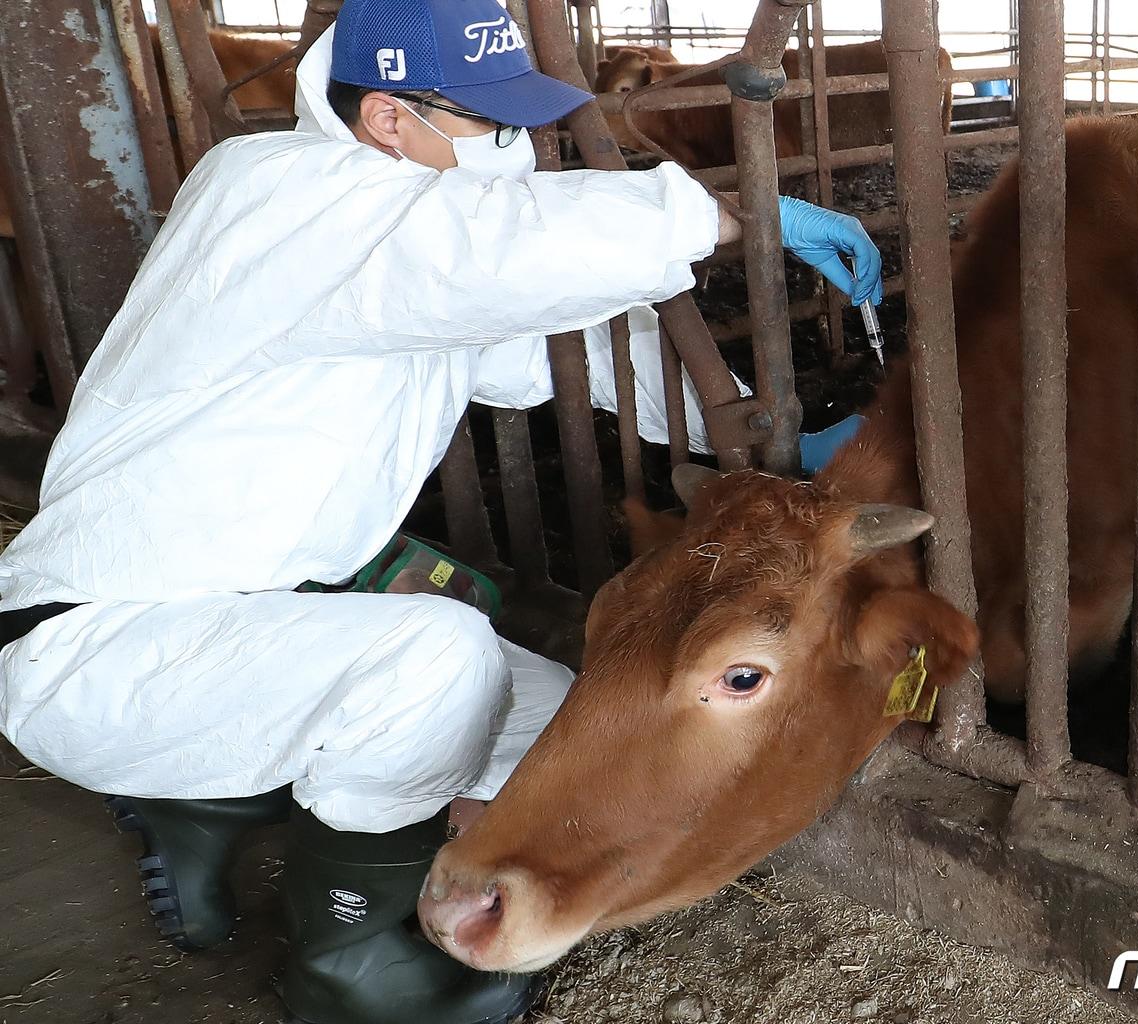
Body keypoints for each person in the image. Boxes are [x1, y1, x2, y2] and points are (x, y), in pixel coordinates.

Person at [0, 0, 882, 1021]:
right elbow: (511, 252)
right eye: (489, 124)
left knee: (558, 725)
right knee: (435, 664)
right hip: (97, 647)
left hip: (254, 623)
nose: (518, 150)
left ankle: (201, 799)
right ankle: (354, 967)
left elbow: (555, 339)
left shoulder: (392, 254)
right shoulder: (291, 199)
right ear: (385, 120)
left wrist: (729, 415)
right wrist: (734, 215)